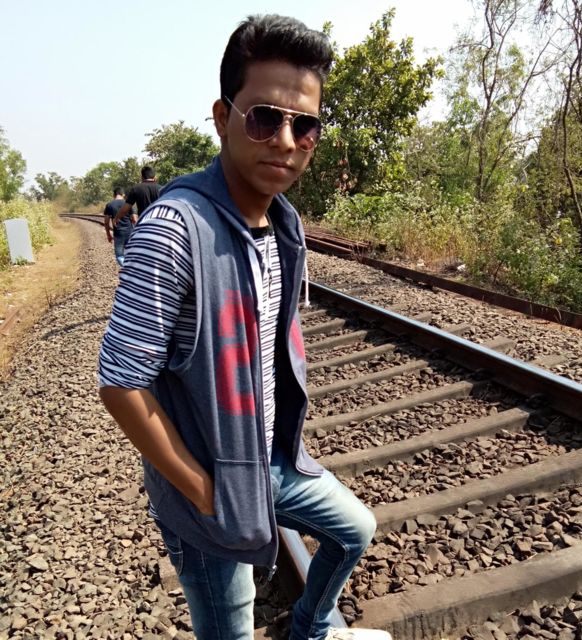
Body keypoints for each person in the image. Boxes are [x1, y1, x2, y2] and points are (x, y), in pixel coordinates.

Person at [98, 14, 391, 640]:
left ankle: (312, 629)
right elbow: (121, 384)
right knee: (230, 626)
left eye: (304, 125)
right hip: (206, 487)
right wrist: (202, 493)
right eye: (264, 118)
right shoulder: (173, 232)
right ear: (222, 117)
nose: (285, 140)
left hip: (267, 464)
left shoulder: (283, 225)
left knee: (355, 530)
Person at [103, 187, 133, 267]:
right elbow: (134, 218)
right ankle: (132, 268)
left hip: (118, 233)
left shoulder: (109, 205)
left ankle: (125, 267)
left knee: (119, 255)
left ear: (114, 195)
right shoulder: (128, 203)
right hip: (130, 231)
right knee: (131, 253)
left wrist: (108, 234)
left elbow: (106, 222)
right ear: (123, 195)